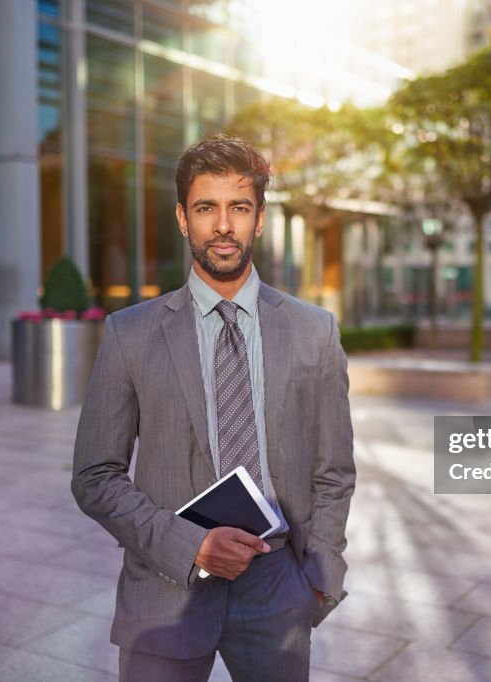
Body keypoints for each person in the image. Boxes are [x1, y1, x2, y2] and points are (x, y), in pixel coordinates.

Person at [72, 135, 355, 682]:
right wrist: (191, 545)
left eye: (238, 207)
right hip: (165, 588)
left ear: (260, 219)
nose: (223, 225)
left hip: (279, 588)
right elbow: (94, 475)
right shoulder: (129, 334)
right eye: (206, 208)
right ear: (183, 218)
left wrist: (321, 577)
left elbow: (334, 470)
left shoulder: (314, 332)